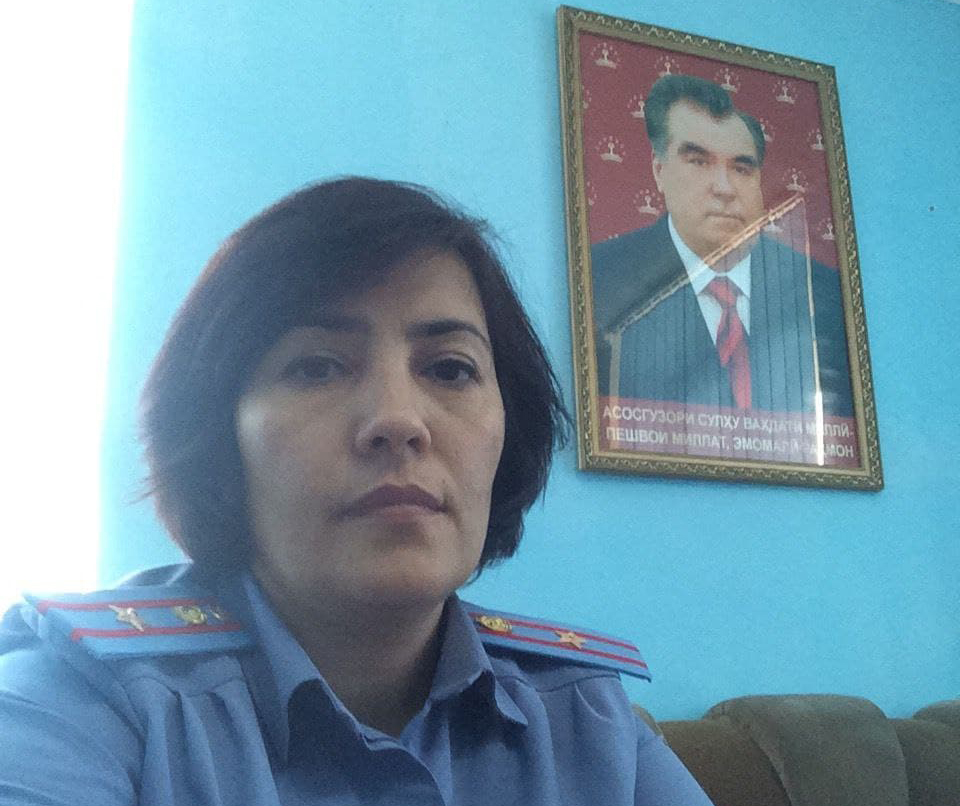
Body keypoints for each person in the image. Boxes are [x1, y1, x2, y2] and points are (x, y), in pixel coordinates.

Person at [0, 178, 714, 805]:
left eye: (450, 368)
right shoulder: (78, 696)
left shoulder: (585, 719)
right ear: (219, 434)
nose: (398, 421)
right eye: (316, 367)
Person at [591, 74, 853, 418]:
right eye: (699, 162)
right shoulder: (600, 277)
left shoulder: (822, 291)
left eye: (742, 169)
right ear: (659, 171)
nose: (725, 188)